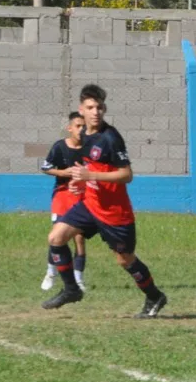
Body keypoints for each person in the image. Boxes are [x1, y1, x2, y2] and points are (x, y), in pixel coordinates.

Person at [41, 84, 168, 319]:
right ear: (82, 109)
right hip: (90, 205)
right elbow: (92, 168)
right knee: (56, 238)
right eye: (90, 107)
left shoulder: (111, 138)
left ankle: (154, 296)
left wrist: (91, 176)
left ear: (104, 109)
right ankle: (71, 289)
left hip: (114, 213)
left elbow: (126, 175)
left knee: (124, 260)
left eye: (99, 107)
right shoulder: (84, 135)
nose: (95, 112)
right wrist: (81, 182)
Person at [40, 112, 88, 291]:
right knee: (58, 236)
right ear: (70, 128)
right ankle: (51, 272)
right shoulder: (60, 147)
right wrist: (62, 172)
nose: (81, 130)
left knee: (79, 237)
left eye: (84, 126)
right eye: (78, 126)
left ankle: (78, 279)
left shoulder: (90, 147)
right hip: (62, 194)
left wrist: (84, 183)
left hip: (81, 195)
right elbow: (46, 167)